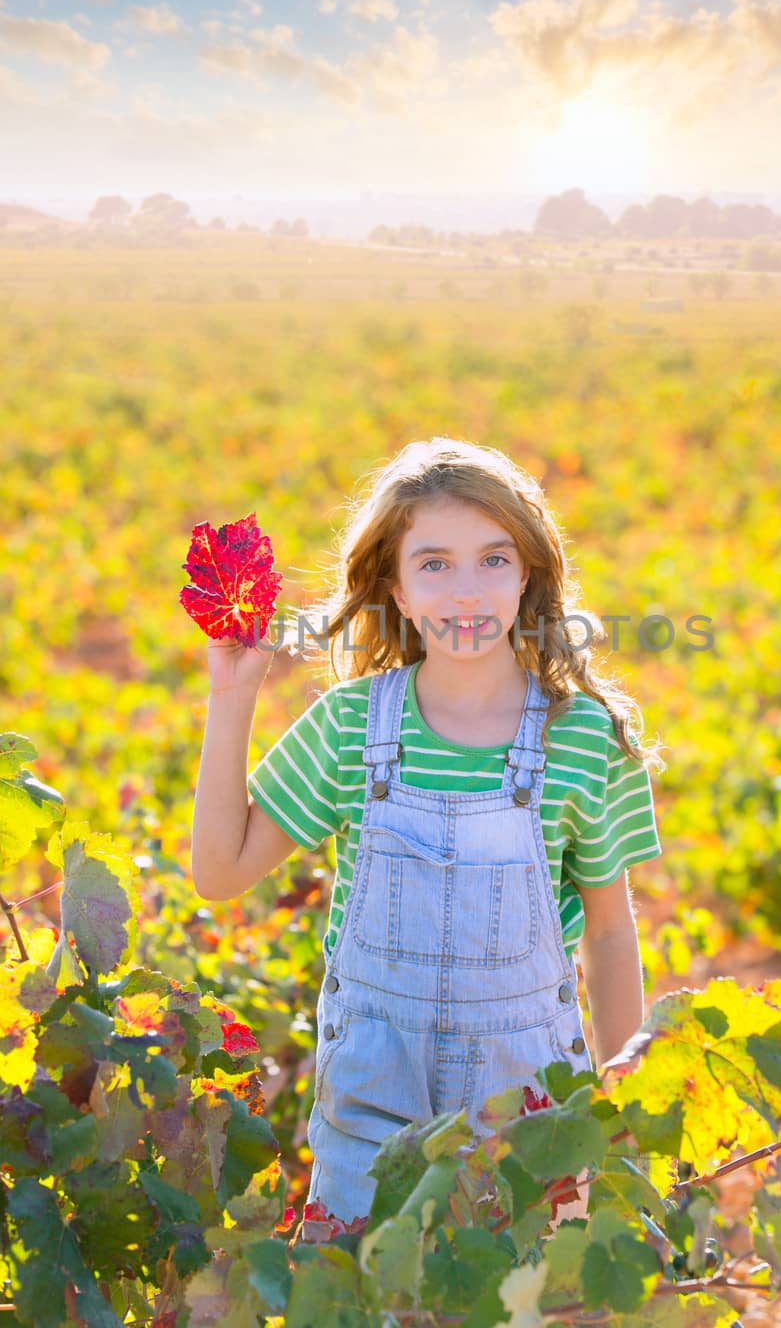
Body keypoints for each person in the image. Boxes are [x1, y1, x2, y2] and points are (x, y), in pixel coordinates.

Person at [189, 436, 665, 1228]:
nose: (467, 591)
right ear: (397, 590)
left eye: (494, 559)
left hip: (532, 1113)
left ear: (530, 577)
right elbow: (220, 873)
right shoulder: (350, 725)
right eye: (435, 564)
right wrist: (232, 696)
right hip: (371, 1108)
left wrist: (625, 1109)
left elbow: (611, 937)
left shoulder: (583, 738)